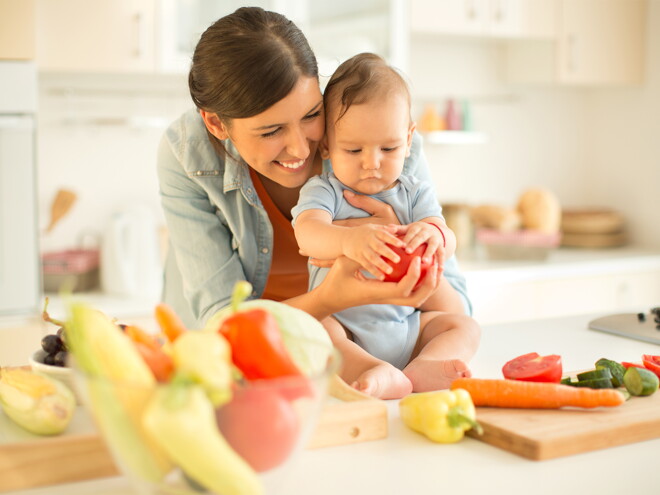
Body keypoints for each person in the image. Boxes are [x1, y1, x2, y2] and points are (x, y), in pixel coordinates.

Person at [156, 7, 474, 390]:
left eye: (311, 114)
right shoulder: (187, 155)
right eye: (272, 130)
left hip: (378, 340)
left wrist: (411, 241)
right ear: (216, 123)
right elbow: (224, 327)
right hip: (261, 353)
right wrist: (329, 298)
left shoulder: (376, 137)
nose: (301, 148)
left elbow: (454, 302)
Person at [292, 53, 480, 398]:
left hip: (407, 324)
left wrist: (435, 234)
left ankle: (423, 367)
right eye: (353, 150)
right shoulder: (325, 191)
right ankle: (370, 370)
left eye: (388, 147)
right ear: (327, 147)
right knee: (316, 331)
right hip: (344, 325)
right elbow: (307, 233)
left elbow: (447, 238)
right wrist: (348, 242)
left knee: (463, 326)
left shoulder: (414, 193)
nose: (371, 163)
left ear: (409, 141)